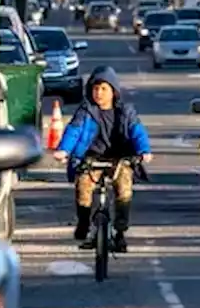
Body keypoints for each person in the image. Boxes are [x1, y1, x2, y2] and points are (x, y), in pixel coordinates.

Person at [52, 66, 152, 252]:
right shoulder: (86, 111)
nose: (99, 93)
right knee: (83, 187)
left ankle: (120, 232)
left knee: (124, 190)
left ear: (114, 91)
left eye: (104, 89)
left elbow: (137, 132)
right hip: (91, 158)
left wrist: (144, 151)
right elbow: (74, 131)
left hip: (119, 159)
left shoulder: (126, 112)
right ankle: (84, 224)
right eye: (95, 88)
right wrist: (64, 150)